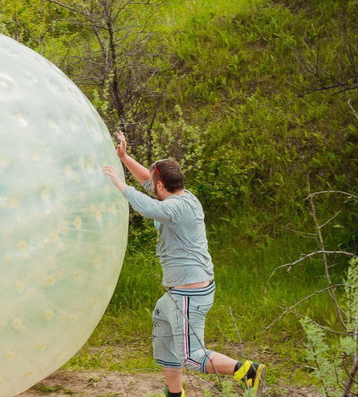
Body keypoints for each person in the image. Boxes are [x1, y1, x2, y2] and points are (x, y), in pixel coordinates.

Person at [101, 132, 266, 397]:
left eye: (155, 183)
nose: (151, 185)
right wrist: (125, 158)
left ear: (162, 185)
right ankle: (175, 394)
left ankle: (247, 370)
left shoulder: (175, 208)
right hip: (179, 292)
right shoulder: (179, 196)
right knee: (164, 338)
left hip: (190, 293)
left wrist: (120, 184)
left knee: (191, 356)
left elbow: (148, 208)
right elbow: (148, 183)